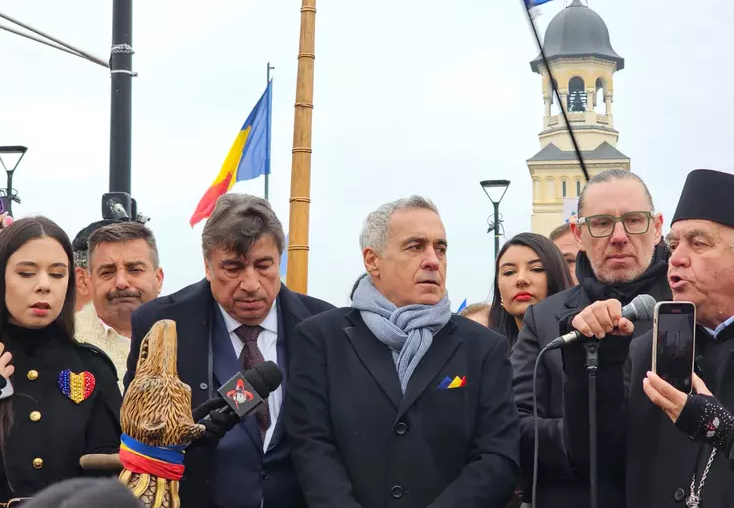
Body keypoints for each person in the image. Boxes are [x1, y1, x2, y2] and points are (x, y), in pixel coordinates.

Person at [286, 196, 519, 508]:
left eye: (441, 248)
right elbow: (312, 446)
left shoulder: (483, 347)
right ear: (372, 260)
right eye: (415, 246)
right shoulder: (321, 339)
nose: (433, 260)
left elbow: (497, 457)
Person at [124, 193, 334, 508]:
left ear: (280, 259)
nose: (251, 283)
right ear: (208, 266)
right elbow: (139, 439)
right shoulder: (160, 324)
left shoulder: (324, 325)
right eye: (233, 268)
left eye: (264, 266)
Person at [562, 169, 734, 507]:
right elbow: (596, 462)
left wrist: (723, 432)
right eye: (673, 244)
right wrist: (600, 364)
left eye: (698, 243)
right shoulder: (649, 349)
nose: (677, 258)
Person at [511, 169, 672, 507]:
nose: (619, 236)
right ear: (578, 233)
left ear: (657, 228)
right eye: (601, 223)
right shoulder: (544, 318)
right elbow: (515, 424)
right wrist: (580, 440)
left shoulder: (687, 307)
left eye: (634, 220)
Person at [0, 216, 122, 507]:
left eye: (57, 274)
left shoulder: (91, 367)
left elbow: (109, 482)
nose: (44, 286)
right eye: (26, 273)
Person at [77, 222, 163, 386]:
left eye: (135, 270)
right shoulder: (66, 338)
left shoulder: (190, 334)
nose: (121, 282)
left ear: (158, 279)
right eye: (107, 272)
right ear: (88, 281)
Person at [488, 232, 572, 353]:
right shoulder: (487, 355)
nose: (521, 279)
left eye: (536, 269)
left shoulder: (582, 345)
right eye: (509, 272)